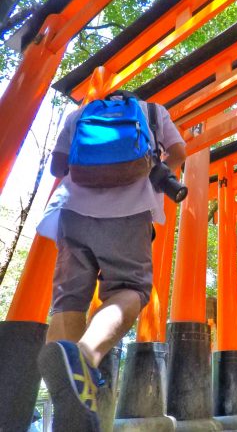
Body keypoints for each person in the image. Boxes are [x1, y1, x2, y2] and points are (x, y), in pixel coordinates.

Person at [36, 91, 186, 430]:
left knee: (68, 300)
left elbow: (58, 166)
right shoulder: (152, 112)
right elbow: (179, 152)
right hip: (128, 214)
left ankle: (71, 405)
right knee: (130, 287)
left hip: (72, 212)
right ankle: (84, 357)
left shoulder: (79, 115)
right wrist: (154, 176)